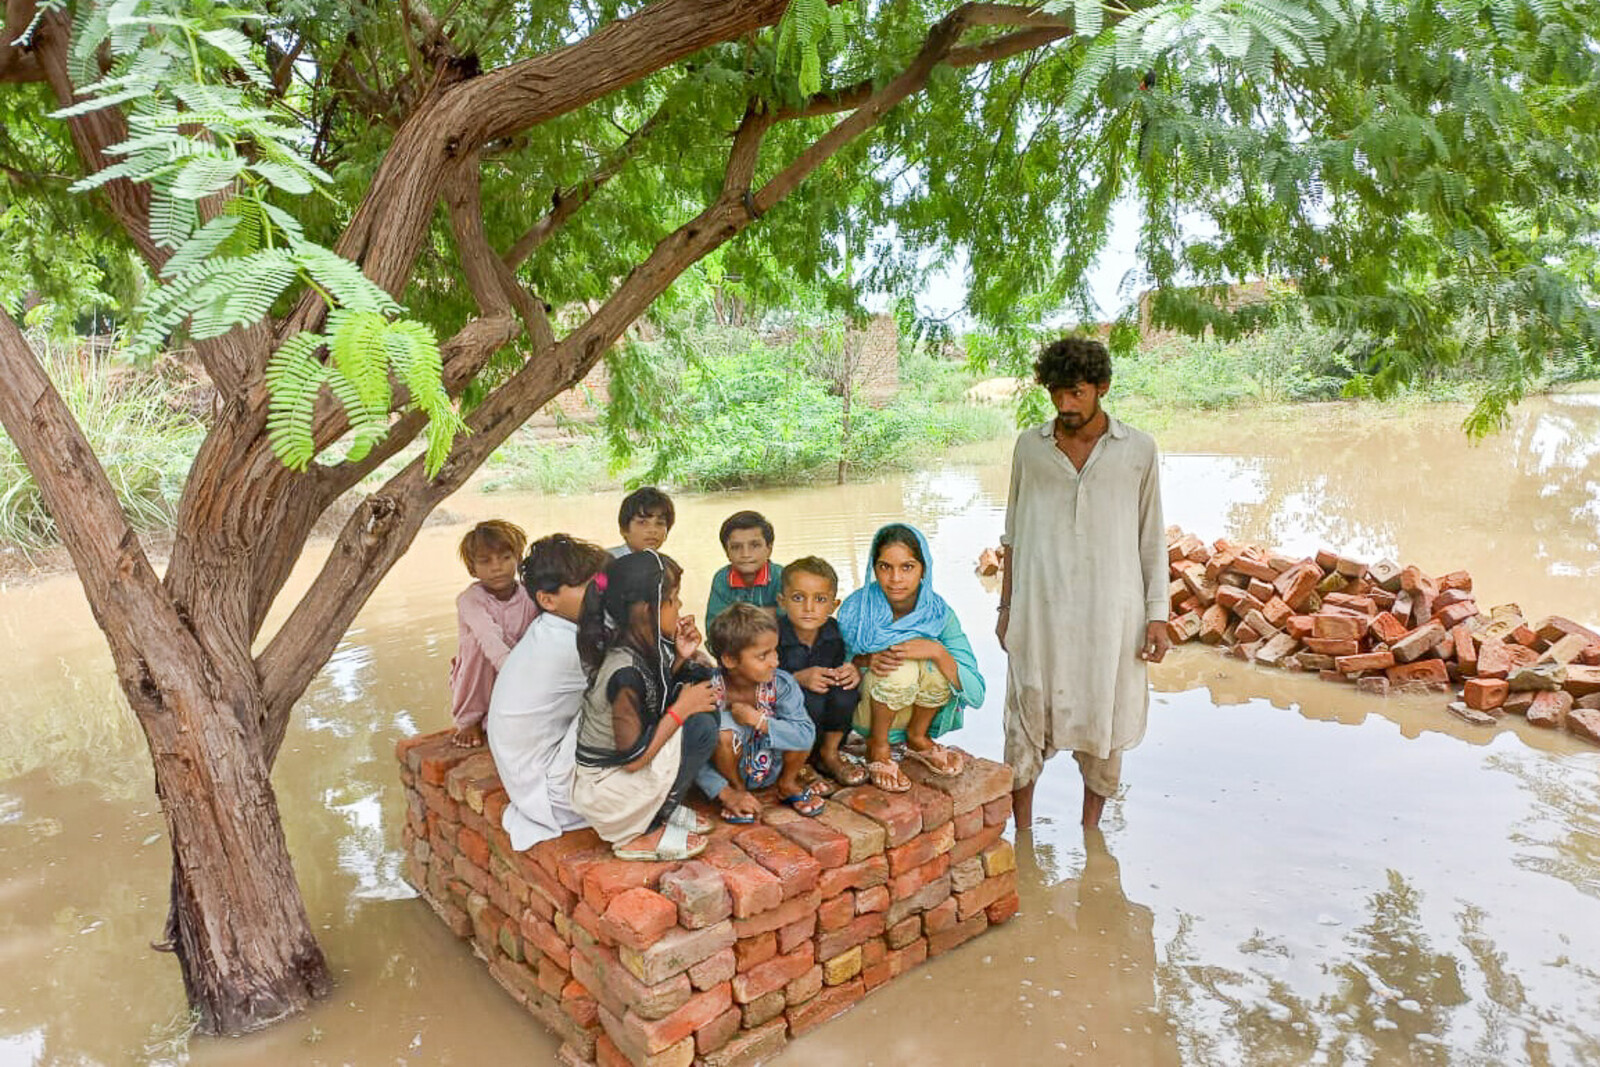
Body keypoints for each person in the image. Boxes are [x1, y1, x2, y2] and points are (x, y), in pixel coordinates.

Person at [996, 336, 1169, 831]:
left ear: (1102, 388)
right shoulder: (1030, 447)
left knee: (1105, 720)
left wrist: (1158, 616)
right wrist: (1005, 610)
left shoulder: (1137, 450)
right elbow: (1012, 533)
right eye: (1056, 393)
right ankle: (1022, 836)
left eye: (1076, 393)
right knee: (1025, 721)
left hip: (1111, 615)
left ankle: (1091, 835)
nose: (1065, 404)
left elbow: (1150, 535)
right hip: (1039, 611)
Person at [571, 550, 720, 861]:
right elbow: (633, 760)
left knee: (701, 704)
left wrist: (680, 657)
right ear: (646, 608)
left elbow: (653, 701)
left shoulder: (640, 646)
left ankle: (659, 808)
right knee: (700, 725)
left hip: (615, 783)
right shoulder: (624, 671)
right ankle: (638, 832)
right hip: (607, 793)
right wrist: (682, 709)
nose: (680, 606)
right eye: (674, 599)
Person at [486, 534, 610, 850]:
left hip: (529, 785)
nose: (600, 590)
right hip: (554, 799)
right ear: (547, 600)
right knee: (628, 697)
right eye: (587, 585)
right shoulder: (566, 647)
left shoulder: (553, 630)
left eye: (598, 581)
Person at [840, 523, 984, 793]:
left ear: (923, 569)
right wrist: (864, 660)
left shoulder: (940, 614)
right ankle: (878, 746)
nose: (895, 579)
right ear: (874, 567)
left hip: (912, 713)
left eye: (907, 567)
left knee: (934, 663)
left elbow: (976, 693)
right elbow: (832, 666)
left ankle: (918, 737)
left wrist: (937, 652)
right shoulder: (856, 610)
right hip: (867, 713)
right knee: (901, 665)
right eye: (885, 567)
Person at [696, 603, 824, 822]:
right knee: (721, 731)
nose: (775, 661)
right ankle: (736, 792)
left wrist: (759, 721)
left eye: (774, 650)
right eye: (763, 656)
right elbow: (691, 752)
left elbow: (805, 735)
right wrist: (721, 789)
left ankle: (787, 783)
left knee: (798, 727)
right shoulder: (706, 689)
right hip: (727, 771)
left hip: (772, 765)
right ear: (730, 660)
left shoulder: (782, 684)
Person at [776, 556, 866, 787]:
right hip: (784, 720)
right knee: (807, 699)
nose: (808, 608)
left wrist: (851, 671)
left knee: (847, 692)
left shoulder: (834, 632)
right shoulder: (771, 635)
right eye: (798, 598)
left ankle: (829, 753)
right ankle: (799, 762)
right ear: (782, 601)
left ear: (833, 605)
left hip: (823, 720)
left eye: (820, 599)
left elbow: (845, 663)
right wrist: (796, 678)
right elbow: (756, 680)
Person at [450, 520, 537, 749]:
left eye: (505, 558)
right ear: (472, 569)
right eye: (485, 561)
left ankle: (502, 714)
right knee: (479, 649)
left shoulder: (529, 594)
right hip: (481, 674)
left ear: (517, 558)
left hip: (516, 671)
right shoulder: (470, 600)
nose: (497, 567)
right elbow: (488, 636)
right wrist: (516, 676)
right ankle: (470, 719)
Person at [705, 510, 784, 623]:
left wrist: (735, 619)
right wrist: (771, 613)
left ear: (769, 549)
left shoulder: (783, 576)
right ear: (727, 552)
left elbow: (792, 618)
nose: (745, 554)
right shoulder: (722, 579)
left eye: (755, 545)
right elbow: (713, 626)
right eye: (736, 547)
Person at [609, 486, 675, 558]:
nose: (653, 530)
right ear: (624, 529)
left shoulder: (668, 566)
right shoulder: (605, 563)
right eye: (642, 522)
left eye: (660, 523)